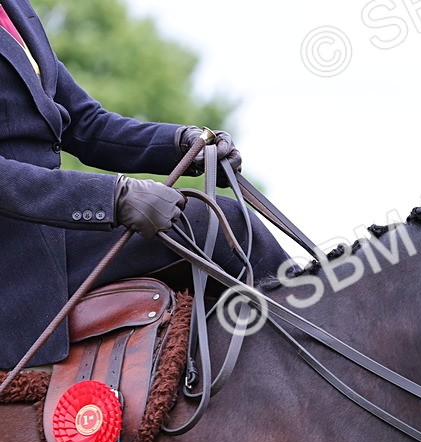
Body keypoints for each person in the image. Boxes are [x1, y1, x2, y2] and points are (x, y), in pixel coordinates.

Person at [0, 0, 292, 370]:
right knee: (215, 224)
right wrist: (113, 197)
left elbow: (85, 124)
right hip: (16, 255)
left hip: (51, 234)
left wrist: (182, 144)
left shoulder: (14, 10)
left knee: (231, 222)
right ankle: (314, 349)